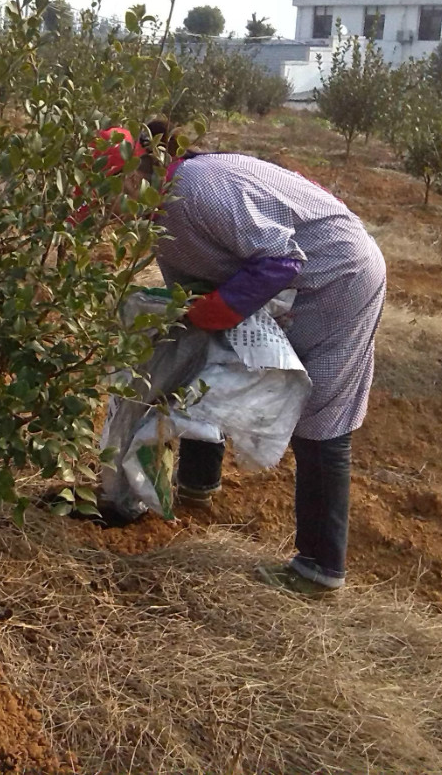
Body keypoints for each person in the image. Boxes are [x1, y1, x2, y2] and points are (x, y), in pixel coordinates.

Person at [153, 132, 387, 598]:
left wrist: (213, 312)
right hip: (302, 281)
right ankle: (198, 484)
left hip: (340, 277)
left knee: (321, 415)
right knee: (204, 355)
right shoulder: (160, 215)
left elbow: (281, 259)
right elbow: (196, 299)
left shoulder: (196, 190)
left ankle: (320, 569)